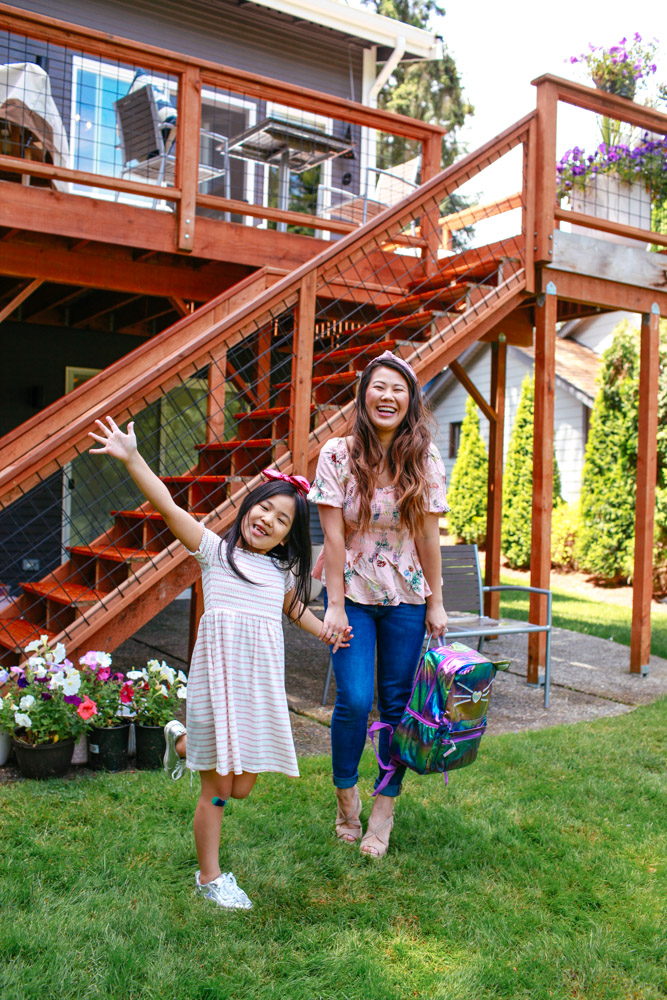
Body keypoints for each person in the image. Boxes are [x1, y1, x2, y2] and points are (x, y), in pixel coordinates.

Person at [89, 416, 351, 910]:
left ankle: (181, 742)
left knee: (243, 787)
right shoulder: (214, 551)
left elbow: (298, 613)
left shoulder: (280, 574)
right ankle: (209, 877)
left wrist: (328, 633)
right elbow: (167, 506)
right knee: (216, 790)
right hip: (218, 685)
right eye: (264, 508)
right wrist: (132, 457)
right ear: (248, 507)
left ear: (286, 539)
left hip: (258, 689)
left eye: (282, 521)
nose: (268, 520)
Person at [308, 351, 449, 859]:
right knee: (352, 697)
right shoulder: (336, 454)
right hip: (352, 593)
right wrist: (336, 605)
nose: (388, 397)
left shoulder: (425, 456)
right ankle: (347, 797)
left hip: (408, 595)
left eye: (399, 389)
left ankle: (384, 807)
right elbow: (332, 534)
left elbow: (430, 537)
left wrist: (436, 602)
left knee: (396, 706)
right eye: (379, 387)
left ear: (410, 402)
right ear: (364, 394)